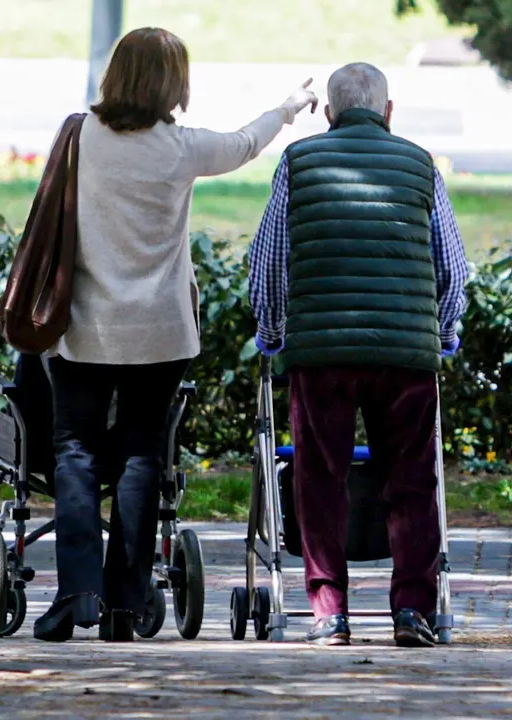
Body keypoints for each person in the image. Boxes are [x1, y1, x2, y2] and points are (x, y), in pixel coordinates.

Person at [32, 27, 318, 643]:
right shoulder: (180, 150)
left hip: (85, 328)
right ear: (174, 84)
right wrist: (289, 109)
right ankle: (124, 609)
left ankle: (75, 590)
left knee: (75, 454)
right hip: (161, 332)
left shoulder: (81, 137)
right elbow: (245, 143)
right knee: (141, 456)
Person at [248, 62, 469, 648]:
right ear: (388, 112)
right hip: (406, 355)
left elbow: (269, 262)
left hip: (322, 355)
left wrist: (273, 332)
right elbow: (451, 265)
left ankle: (330, 612)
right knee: (412, 483)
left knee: (321, 479)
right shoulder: (421, 164)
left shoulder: (298, 163)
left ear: (328, 113)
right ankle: (414, 611)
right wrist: (443, 332)